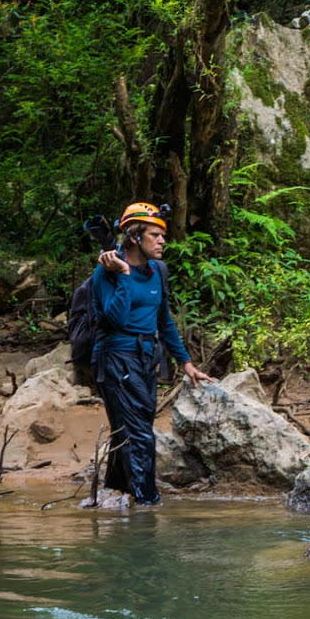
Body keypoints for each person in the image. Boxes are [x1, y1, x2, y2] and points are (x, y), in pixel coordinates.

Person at [93, 202, 212, 505]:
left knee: (135, 428)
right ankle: (148, 504)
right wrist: (122, 274)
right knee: (139, 434)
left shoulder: (158, 270)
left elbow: (164, 320)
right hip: (116, 358)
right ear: (134, 237)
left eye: (163, 235)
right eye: (155, 235)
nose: (162, 241)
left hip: (147, 358)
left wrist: (185, 362)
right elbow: (115, 319)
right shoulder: (106, 272)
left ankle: (119, 492)